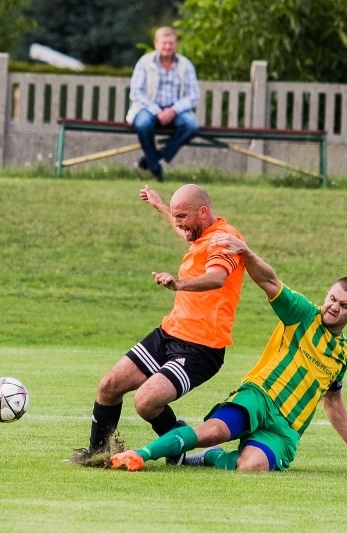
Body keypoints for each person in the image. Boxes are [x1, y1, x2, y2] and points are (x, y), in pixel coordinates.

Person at [109, 234, 347, 472]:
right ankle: (140, 455)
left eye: (344, 306)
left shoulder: (343, 353)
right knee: (213, 432)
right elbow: (269, 280)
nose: (334, 307)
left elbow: (332, 400)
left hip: (285, 428)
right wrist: (246, 252)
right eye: (332, 299)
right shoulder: (303, 314)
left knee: (251, 466)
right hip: (259, 397)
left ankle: (213, 457)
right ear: (327, 295)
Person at [71, 184, 244, 465]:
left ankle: (177, 442)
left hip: (201, 348)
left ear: (202, 212)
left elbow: (217, 278)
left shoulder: (225, 239)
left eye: (183, 216)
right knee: (110, 385)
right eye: (176, 217)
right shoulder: (202, 233)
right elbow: (185, 231)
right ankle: (98, 454)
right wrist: (160, 205)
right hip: (169, 333)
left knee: (145, 401)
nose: (179, 223)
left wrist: (179, 284)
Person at [125, 26, 200, 182]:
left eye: (170, 43)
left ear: (176, 44)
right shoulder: (144, 63)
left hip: (176, 110)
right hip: (148, 108)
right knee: (143, 124)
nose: (167, 47)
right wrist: (156, 111)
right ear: (156, 43)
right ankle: (155, 167)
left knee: (192, 125)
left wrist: (173, 110)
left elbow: (193, 95)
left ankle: (152, 159)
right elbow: (136, 92)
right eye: (164, 43)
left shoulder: (185, 65)